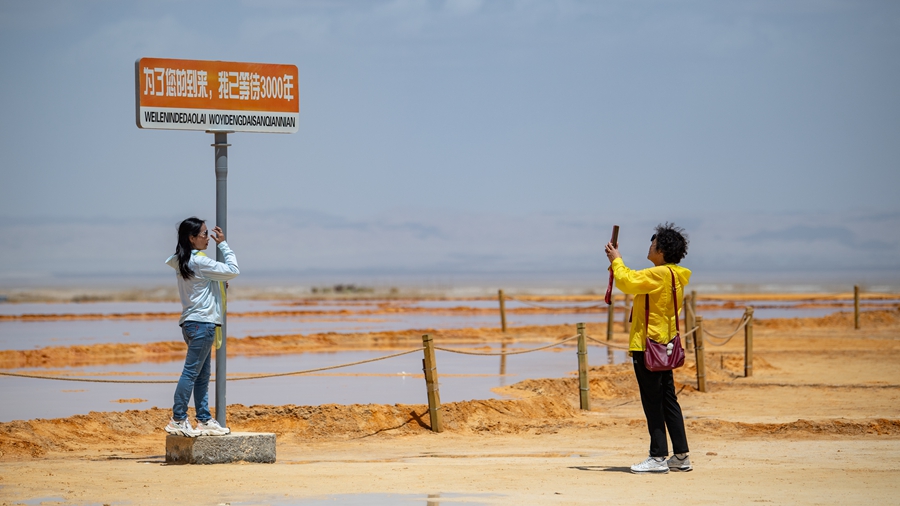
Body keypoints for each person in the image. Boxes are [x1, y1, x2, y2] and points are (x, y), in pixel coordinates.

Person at [605, 222, 692, 474]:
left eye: (653, 244)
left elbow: (627, 281)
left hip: (648, 346)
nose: (650, 247)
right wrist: (616, 262)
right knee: (668, 400)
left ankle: (657, 457)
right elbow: (632, 280)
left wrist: (616, 260)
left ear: (661, 250)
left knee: (653, 402)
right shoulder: (675, 274)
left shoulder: (658, 274)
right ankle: (681, 456)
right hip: (665, 344)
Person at [164, 217, 239, 437]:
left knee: (201, 375)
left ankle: (204, 419)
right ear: (192, 238)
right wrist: (223, 245)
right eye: (205, 234)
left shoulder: (184, 261)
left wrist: (218, 283)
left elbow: (202, 287)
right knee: (191, 373)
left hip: (192, 323)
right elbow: (233, 269)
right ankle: (178, 419)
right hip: (202, 323)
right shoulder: (200, 262)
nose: (209, 238)